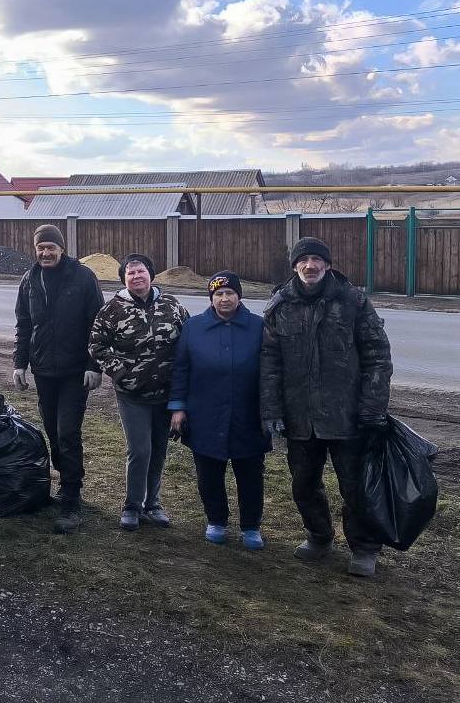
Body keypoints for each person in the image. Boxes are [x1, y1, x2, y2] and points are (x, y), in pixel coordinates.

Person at [260, 237, 393, 577]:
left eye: (317, 260)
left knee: (355, 486)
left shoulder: (353, 301)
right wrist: (272, 410)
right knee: (303, 484)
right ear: (294, 266)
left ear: (328, 265)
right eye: (303, 260)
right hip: (300, 416)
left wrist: (372, 407)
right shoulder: (280, 305)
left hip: (347, 415)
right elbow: (270, 362)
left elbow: (378, 356)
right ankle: (319, 536)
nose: (310, 266)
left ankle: (363, 547)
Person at [168, 271, 271, 549]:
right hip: (205, 413)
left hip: (248, 414)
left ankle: (251, 526)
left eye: (230, 293)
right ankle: (216, 520)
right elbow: (181, 369)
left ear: (239, 296)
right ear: (211, 299)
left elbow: (271, 370)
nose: (224, 299)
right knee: (209, 473)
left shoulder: (258, 326)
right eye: (218, 294)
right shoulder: (194, 327)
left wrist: (272, 410)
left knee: (250, 474)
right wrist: (177, 407)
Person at [13, 224, 104, 534]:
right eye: (41, 248)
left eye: (51, 247)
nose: (45, 252)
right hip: (44, 370)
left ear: (62, 249)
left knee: (68, 432)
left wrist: (94, 366)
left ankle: (72, 500)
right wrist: (20, 364)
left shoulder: (83, 277)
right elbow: (24, 324)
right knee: (52, 431)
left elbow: (97, 325)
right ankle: (66, 484)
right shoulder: (29, 280)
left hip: (75, 372)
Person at [90, 254, 189, 531]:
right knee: (140, 450)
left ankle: (152, 504)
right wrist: (121, 372)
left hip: (165, 395)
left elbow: (188, 341)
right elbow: (97, 346)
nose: (136, 276)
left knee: (158, 451)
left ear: (151, 275)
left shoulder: (172, 305)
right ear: (124, 279)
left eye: (141, 271)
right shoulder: (112, 310)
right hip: (132, 396)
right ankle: (132, 506)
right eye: (130, 273)